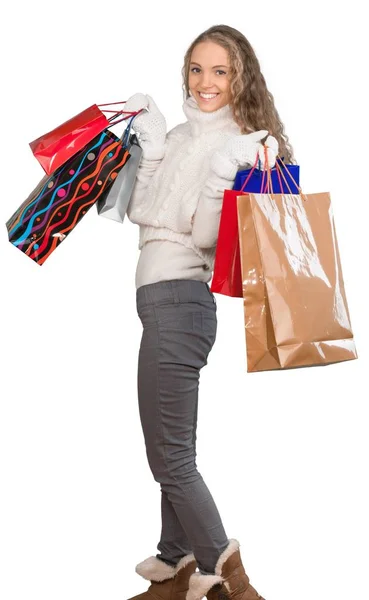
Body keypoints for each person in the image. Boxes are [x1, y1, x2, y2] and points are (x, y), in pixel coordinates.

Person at [124, 24, 295, 600]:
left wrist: (224, 171)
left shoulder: (240, 143)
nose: (205, 82)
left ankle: (231, 579)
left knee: (168, 455)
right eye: (197, 69)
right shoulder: (180, 135)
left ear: (239, 77)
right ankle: (174, 568)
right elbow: (142, 212)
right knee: (173, 451)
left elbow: (203, 236)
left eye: (219, 71)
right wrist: (150, 150)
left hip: (181, 306)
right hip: (160, 307)